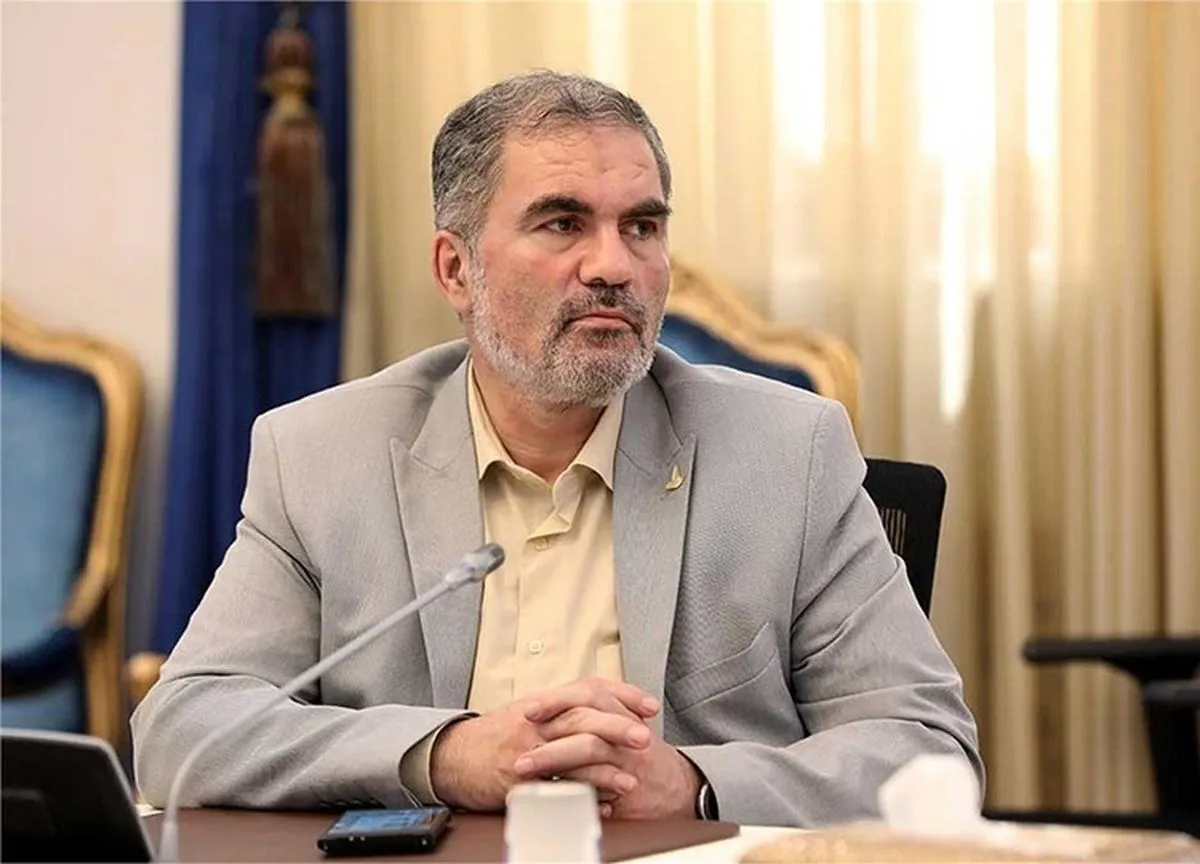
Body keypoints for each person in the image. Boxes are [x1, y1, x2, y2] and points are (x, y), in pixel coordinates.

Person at [132, 70, 982, 827]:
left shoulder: (788, 453)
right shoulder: (321, 455)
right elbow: (183, 734)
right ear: (455, 270)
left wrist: (692, 781)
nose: (613, 265)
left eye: (641, 226)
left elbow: (929, 750)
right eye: (563, 223)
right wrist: (445, 756)